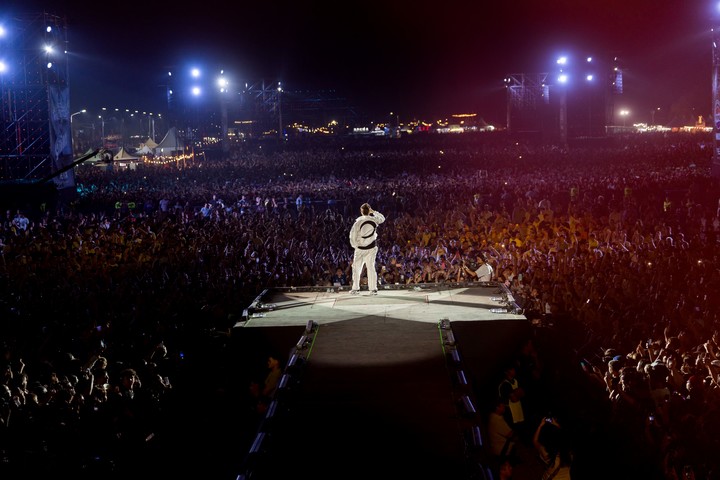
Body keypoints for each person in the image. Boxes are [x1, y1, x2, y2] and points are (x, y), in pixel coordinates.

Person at [348, 203, 385, 295]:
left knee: (356, 269)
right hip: (370, 248)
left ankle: (356, 289)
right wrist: (374, 212)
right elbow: (382, 219)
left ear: (361, 211)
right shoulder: (374, 219)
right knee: (370, 268)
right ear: (369, 210)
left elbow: (352, 236)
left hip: (361, 249)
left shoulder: (357, 223)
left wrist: (356, 246)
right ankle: (373, 289)